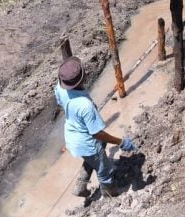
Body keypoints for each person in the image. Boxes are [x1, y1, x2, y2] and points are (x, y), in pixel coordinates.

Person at [54, 56, 137, 199]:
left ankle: (80, 185)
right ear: (83, 77)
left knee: (94, 157)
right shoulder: (85, 105)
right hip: (88, 143)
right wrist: (121, 142)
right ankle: (110, 195)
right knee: (104, 169)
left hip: (72, 135)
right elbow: (97, 134)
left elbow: (63, 104)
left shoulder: (60, 89)